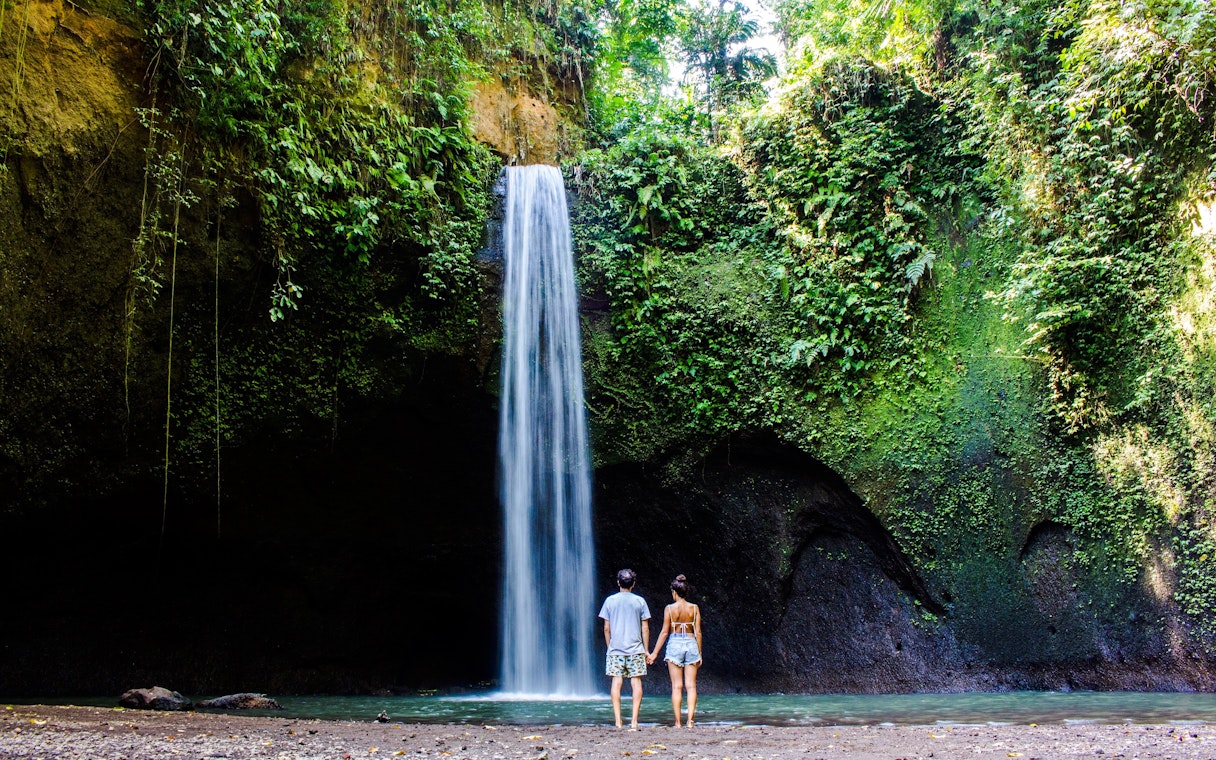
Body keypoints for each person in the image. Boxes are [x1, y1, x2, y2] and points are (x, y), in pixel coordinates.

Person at [646, 574, 702, 728]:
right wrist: (700, 652)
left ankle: (678, 723)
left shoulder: (669, 609)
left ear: (674, 593)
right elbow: (698, 632)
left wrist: (654, 653)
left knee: (676, 686)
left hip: (675, 643)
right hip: (691, 643)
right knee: (691, 686)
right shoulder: (694, 608)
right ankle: (690, 721)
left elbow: (665, 632)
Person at [598, 568, 651, 729]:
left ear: (618, 583)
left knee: (616, 683)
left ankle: (618, 721)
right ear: (633, 584)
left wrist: (610, 647)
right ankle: (634, 721)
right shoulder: (640, 601)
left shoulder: (610, 601)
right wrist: (646, 650)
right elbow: (645, 627)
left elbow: (606, 628)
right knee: (636, 683)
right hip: (636, 649)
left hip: (616, 649)